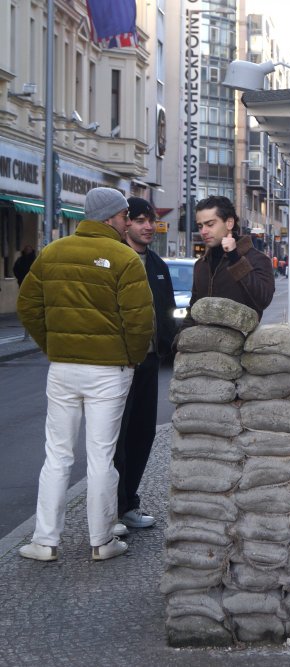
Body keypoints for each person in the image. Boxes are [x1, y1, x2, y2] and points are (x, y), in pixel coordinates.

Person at [16, 187, 153, 562]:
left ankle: (45, 541)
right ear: (109, 217)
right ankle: (102, 540)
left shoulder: (52, 253)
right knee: (101, 457)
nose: (128, 220)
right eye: (125, 215)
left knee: (57, 455)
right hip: (109, 370)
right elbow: (140, 321)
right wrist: (131, 358)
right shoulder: (125, 258)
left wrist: (53, 346)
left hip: (63, 368)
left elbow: (28, 306)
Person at [112, 198, 177, 534]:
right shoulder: (113, 259)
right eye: (140, 220)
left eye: (150, 220)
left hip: (149, 362)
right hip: (119, 363)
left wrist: (167, 344)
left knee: (142, 433)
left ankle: (128, 505)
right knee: (115, 439)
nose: (148, 226)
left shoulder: (156, 264)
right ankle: (112, 508)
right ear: (126, 223)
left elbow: (167, 310)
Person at [182, 195, 275, 330]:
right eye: (200, 226)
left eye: (210, 224)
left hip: (240, 341)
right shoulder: (201, 264)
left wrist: (235, 258)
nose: (203, 231)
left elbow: (263, 300)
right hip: (202, 342)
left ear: (229, 223)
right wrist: (180, 338)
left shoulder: (257, 259)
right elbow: (193, 309)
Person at [13, 245, 37, 340]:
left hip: (33, 286)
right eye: (26, 249)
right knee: (25, 307)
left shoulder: (35, 260)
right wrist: (20, 278)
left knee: (30, 308)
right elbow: (15, 269)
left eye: (29, 249)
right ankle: (27, 332)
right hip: (22, 284)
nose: (27, 251)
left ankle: (29, 332)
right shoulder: (20, 260)